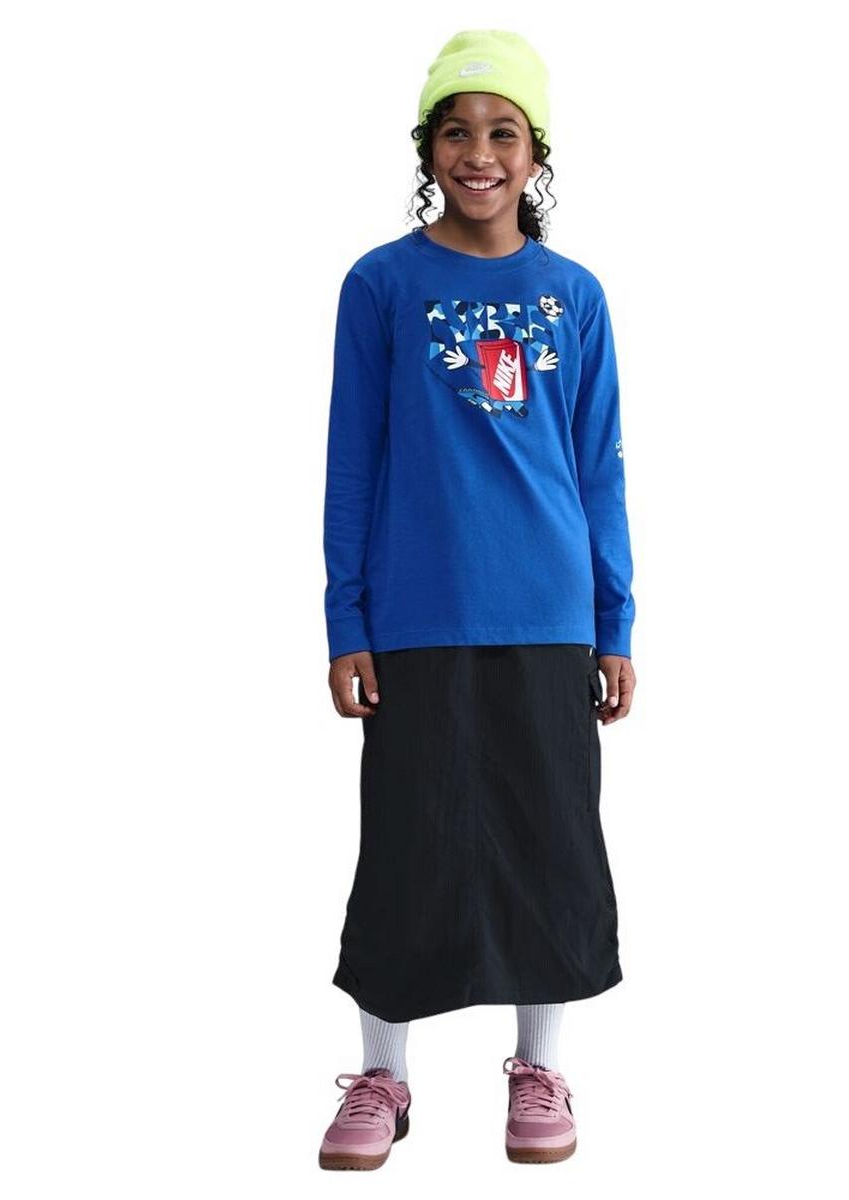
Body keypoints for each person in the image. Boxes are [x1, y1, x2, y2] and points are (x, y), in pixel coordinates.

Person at [318, 29, 637, 1170]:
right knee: (407, 845)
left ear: (535, 153)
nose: (479, 153)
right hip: (417, 617)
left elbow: (597, 469)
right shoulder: (381, 285)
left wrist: (614, 621)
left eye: (503, 132)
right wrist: (346, 620)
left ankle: (538, 1067)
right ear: (428, 150)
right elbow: (353, 462)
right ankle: (383, 1076)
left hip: (549, 614)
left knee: (549, 842)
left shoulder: (573, 295)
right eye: (456, 132)